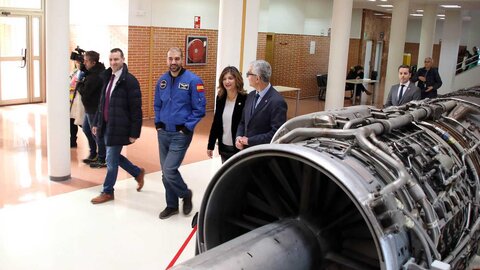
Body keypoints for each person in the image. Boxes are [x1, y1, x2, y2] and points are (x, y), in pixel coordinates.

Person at [154, 47, 206, 219]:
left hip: (180, 134)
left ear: (182, 59)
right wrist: (157, 123)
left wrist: (187, 128)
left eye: (177, 59)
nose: (173, 62)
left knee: (169, 169)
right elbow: (157, 104)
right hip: (163, 133)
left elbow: (199, 109)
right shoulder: (162, 81)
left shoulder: (193, 80)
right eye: (170, 59)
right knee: (165, 173)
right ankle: (172, 205)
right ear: (167, 60)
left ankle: (185, 194)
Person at [90, 48, 145, 204]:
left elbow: (136, 109)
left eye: (116, 59)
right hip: (106, 125)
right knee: (112, 156)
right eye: (111, 60)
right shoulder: (107, 77)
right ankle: (137, 172)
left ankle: (107, 191)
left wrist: (135, 132)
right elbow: (102, 103)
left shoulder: (130, 81)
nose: (113, 62)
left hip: (120, 126)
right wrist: (96, 122)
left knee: (111, 161)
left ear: (123, 59)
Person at [235, 60, 287, 150]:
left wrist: (250, 141)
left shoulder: (277, 102)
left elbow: (276, 133)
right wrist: (238, 137)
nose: (247, 77)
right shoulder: (250, 96)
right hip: (246, 152)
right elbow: (243, 121)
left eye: (248, 74)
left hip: (262, 153)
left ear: (257, 78)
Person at [207, 66, 247, 163]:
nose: (227, 81)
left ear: (236, 79)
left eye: (230, 78)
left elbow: (246, 124)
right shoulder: (220, 98)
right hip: (224, 146)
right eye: (224, 79)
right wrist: (210, 145)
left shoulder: (245, 98)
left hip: (239, 147)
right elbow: (216, 123)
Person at [76, 51, 107, 167]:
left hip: (94, 108)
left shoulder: (95, 76)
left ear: (93, 62)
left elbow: (85, 93)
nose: (84, 63)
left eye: (86, 61)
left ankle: (101, 158)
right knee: (86, 129)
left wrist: (79, 83)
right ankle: (93, 153)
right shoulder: (93, 72)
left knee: (96, 134)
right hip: (90, 108)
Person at [69, 60, 85, 148]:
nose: (77, 64)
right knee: (71, 121)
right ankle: (72, 141)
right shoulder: (74, 72)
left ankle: (96, 142)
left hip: (79, 101)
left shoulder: (84, 73)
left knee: (82, 123)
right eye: (76, 62)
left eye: (79, 62)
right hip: (72, 100)